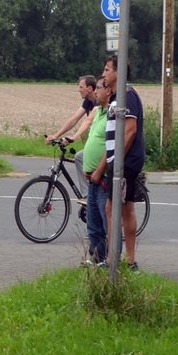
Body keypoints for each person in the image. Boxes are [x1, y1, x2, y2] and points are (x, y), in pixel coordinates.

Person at [90, 54, 145, 271]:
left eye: (106, 70)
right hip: (123, 161)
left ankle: (114, 261)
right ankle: (129, 262)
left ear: (118, 72)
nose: (103, 74)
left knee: (112, 209)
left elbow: (130, 131)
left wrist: (116, 161)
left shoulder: (127, 95)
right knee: (125, 210)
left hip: (126, 162)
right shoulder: (117, 97)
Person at [45, 75, 98, 196]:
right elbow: (74, 119)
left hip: (103, 144)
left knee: (80, 157)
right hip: (95, 142)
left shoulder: (98, 102)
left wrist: (74, 137)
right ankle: (89, 194)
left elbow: (88, 121)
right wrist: (56, 135)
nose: (78, 89)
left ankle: (88, 196)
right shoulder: (88, 102)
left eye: (81, 87)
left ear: (90, 88)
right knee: (81, 158)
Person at [80, 77, 111, 266]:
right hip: (91, 176)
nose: (96, 92)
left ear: (108, 91)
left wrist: (99, 170)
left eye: (99, 88)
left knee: (105, 219)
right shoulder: (97, 111)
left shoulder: (112, 114)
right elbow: (84, 125)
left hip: (103, 177)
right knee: (93, 223)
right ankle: (96, 257)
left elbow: (111, 146)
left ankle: (109, 260)